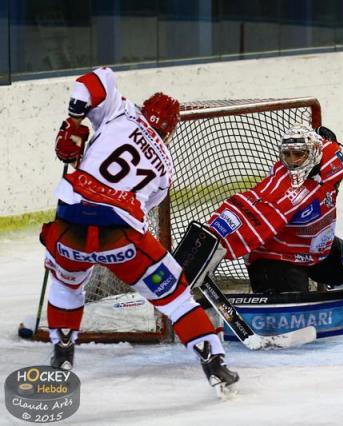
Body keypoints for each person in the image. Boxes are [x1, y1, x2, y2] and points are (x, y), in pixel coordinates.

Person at [41, 67, 238, 393]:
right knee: (176, 297)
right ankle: (214, 362)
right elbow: (140, 209)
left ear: (144, 109)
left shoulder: (121, 110)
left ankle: (62, 351)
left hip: (69, 226)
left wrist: (74, 124)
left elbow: (90, 81)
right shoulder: (165, 167)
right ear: (170, 131)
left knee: (67, 281)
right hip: (121, 238)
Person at [207, 125, 343, 318]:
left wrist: (325, 139)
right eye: (287, 155)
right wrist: (211, 241)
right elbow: (248, 213)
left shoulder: (331, 159)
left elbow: (331, 148)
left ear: (315, 153)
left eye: (298, 154)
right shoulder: (284, 192)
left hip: (317, 249)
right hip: (278, 257)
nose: (292, 161)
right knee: (291, 315)